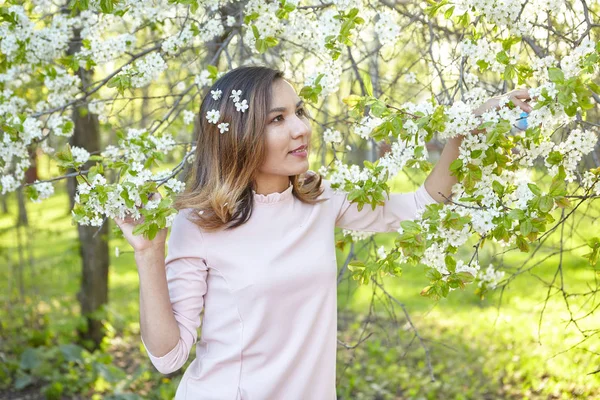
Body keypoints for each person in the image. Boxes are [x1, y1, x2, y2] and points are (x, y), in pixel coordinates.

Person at [115, 65, 532, 399]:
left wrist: (461, 132)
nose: (300, 129)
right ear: (239, 136)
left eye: (299, 112)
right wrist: (148, 254)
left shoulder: (321, 199)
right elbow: (169, 357)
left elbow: (422, 206)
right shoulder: (202, 222)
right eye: (277, 119)